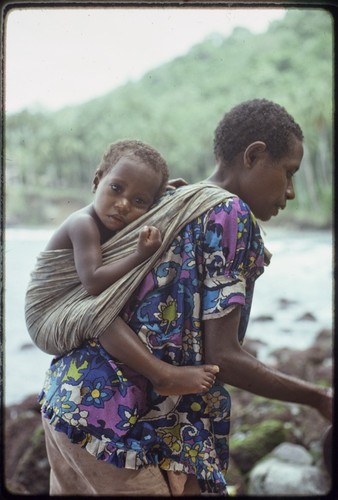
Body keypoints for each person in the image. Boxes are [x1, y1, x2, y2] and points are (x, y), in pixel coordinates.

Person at [38, 99, 332, 496]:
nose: (291, 192)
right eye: (288, 173)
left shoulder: (180, 200)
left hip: (69, 402)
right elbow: (223, 358)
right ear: (254, 155)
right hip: (116, 428)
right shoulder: (231, 214)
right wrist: (317, 397)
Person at [25, 139, 219, 396]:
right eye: (116, 188)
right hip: (45, 316)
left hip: (70, 303)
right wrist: (140, 254)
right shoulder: (83, 224)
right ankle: (162, 375)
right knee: (101, 313)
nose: (124, 204)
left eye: (139, 200)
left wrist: (166, 197)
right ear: (97, 181)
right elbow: (93, 282)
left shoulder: (120, 216)